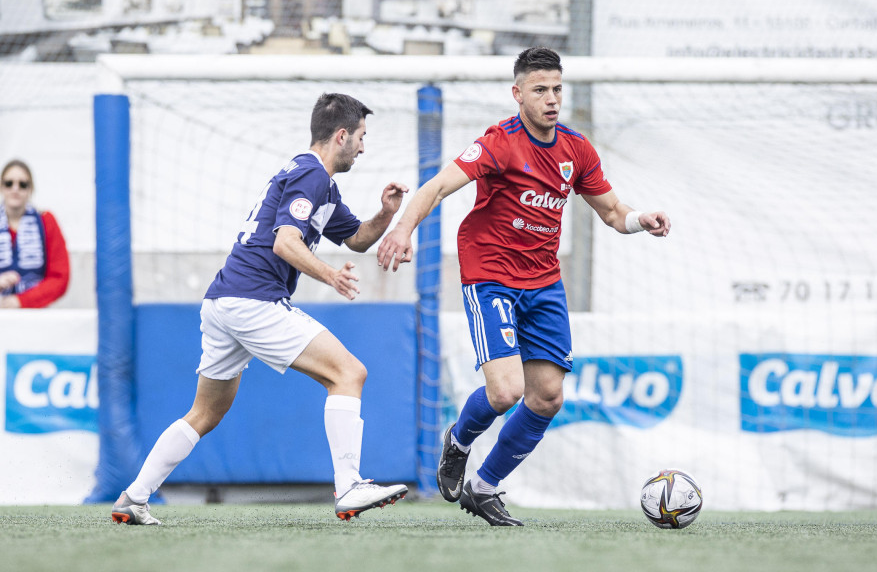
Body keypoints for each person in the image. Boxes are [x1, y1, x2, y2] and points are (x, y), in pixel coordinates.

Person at [377, 48, 671, 526]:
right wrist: (402, 229)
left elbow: (614, 213)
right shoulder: (499, 143)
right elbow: (435, 187)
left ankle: (484, 486)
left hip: (543, 282)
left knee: (548, 397)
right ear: (518, 95)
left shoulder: (576, 149)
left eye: (557, 89)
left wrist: (642, 219)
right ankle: (458, 441)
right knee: (506, 390)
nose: (552, 99)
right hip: (490, 275)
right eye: (540, 90)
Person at [112, 93, 410, 525]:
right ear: (341, 135)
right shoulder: (311, 175)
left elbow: (357, 239)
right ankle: (348, 486)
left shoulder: (316, 181)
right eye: (361, 137)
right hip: (253, 299)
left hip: (222, 301)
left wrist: (385, 214)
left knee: (206, 412)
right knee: (350, 373)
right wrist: (331, 276)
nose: (364, 147)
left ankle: (134, 497)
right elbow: (284, 242)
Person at [0, 159, 70, 308]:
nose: (15, 189)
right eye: (9, 183)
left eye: (23, 184)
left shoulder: (46, 222)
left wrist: (20, 301)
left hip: (34, 316)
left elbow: (60, 277)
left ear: (30, 189)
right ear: (1, 187)